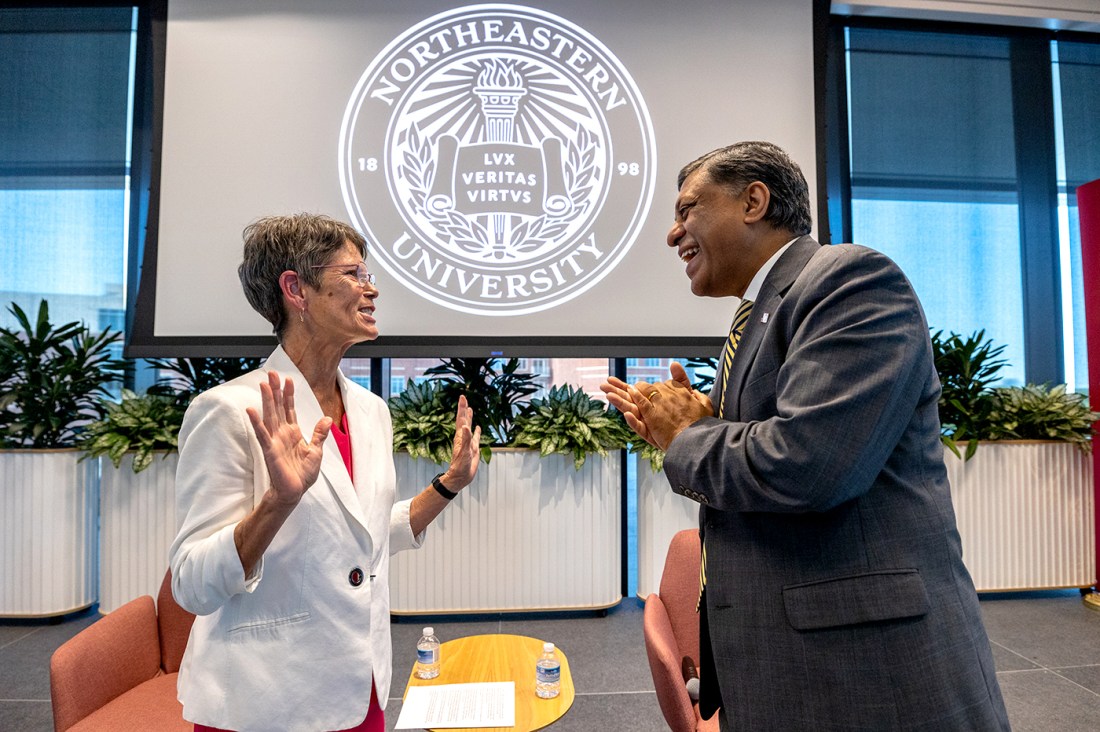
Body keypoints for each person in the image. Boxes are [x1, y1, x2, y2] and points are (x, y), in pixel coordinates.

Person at [602, 142, 1010, 730]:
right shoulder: (758, 314)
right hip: (792, 665)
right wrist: (696, 425)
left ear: (754, 201)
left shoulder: (849, 281)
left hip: (869, 675)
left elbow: (807, 465)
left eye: (687, 209)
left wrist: (688, 434)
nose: (673, 234)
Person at [168, 213, 482, 732]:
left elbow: (362, 537)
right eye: (354, 274)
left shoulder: (370, 410)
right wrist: (278, 503)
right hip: (266, 701)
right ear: (296, 289)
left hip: (361, 686)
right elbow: (192, 584)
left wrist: (450, 483)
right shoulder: (227, 410)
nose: (372, 288)